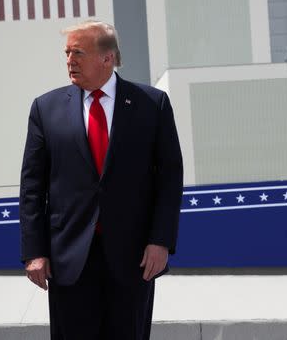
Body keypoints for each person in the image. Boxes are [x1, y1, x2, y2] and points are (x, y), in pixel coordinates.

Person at [20, 20, 183, 339]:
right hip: (68, 261)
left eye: (78, 52)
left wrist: (161, 240)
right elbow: (32, 187)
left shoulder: (151, 105)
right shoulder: (46, 108)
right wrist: (34, 252)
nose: (69, 60)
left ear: (107, 58)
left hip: (134, 258)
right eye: (67, 53)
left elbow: (169, 178)